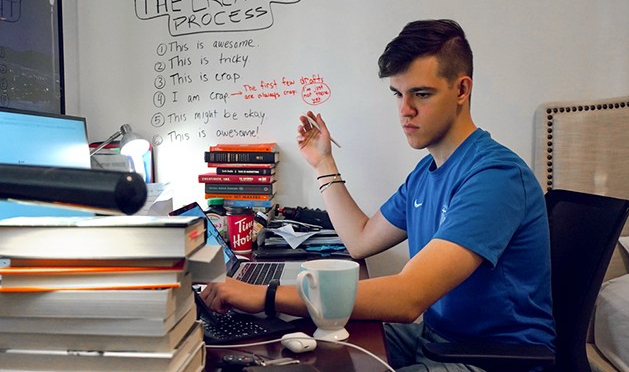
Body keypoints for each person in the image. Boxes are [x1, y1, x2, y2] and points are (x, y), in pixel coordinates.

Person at [200, 19, 556, 371]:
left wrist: (266, 295)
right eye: (398, 94)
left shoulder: (494, 176)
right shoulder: (426, 173)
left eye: (421, 93)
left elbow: (408, 297)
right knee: (290, 344)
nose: (405, 110)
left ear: (461, 90)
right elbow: (360, 240)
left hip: (493, 359)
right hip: (437, 338)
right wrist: (323, 162)